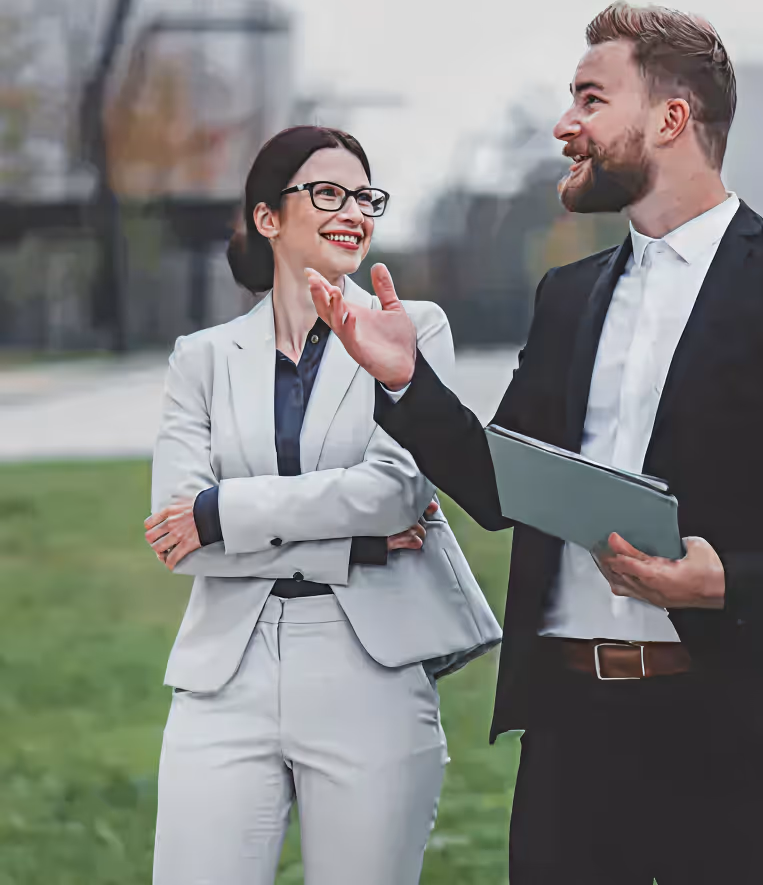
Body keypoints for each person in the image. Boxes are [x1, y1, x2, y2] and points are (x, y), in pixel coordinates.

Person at [305, 3, 763, 884]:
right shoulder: (567, 295)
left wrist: (728, 581)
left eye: (590, 99)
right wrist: (405, 379)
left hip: (730, 726)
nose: (566, 125)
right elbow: (499, 485)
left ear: (670, 118)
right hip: (567, 729)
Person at [143, 125, 501, 885]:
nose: (353, 211)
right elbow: (181, 533)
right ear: (269, 217)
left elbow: (397, 489)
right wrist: (353, 545)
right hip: (222, 678)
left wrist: (224, 509)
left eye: (364, 195)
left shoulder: (412, 325)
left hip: (369, 669)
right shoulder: (200, 358)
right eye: (328, 192)